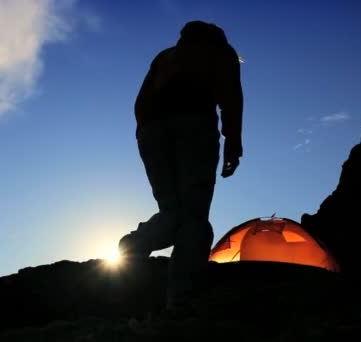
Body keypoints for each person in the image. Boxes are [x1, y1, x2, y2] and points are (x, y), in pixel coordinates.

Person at [118, 20, 244, 311]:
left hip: (151, 133)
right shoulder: (221, 53)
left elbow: (140, 103)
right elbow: (231, 98)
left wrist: (147, 132)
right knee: (195, 218)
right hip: (195, 128)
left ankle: (133, 246)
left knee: (172, 211)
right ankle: (182, 299)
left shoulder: (165, 56)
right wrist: (233, 142)